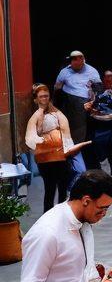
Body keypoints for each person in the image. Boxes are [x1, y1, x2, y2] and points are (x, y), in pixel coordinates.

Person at [24, 84, 75, 213]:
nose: (44, 99)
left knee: (63, 188)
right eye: (41, 96)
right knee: (50, 188)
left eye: (46, 96)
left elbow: (66, 132)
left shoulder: (57, 113)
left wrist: (69, 151)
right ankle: (47, 216)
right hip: (45, 157)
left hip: (60, 156)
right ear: (36, 99)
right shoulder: (34, 115)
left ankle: (62, 215)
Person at [85, 70, 112, 175]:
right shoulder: (96, 91)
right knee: (100, 146)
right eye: (107, 76)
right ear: (103, 79)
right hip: (100, 124)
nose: (110, 79)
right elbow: (92, 107)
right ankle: (100, 170)